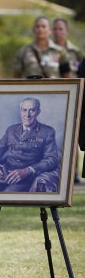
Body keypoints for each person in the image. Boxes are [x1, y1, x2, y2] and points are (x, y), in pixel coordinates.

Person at [0, 97, 60, 192]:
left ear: (38, 112)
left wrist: (27, 170)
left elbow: (52, 159)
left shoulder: (47, 131)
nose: (27, 115)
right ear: (20, 112)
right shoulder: (11, 130)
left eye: (32, 110)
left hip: (27, 179)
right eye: (24, 110)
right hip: (4, 175)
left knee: (8, 195)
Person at [52, 17, 83, 183]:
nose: (58, 32)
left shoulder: (76, 53)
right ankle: (57, 170)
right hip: (54, 98)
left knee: (73, 135)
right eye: (55, 29)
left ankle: (74, 172)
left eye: (61, 29)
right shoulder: (48, 51)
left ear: (66, 31)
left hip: (73, 97)